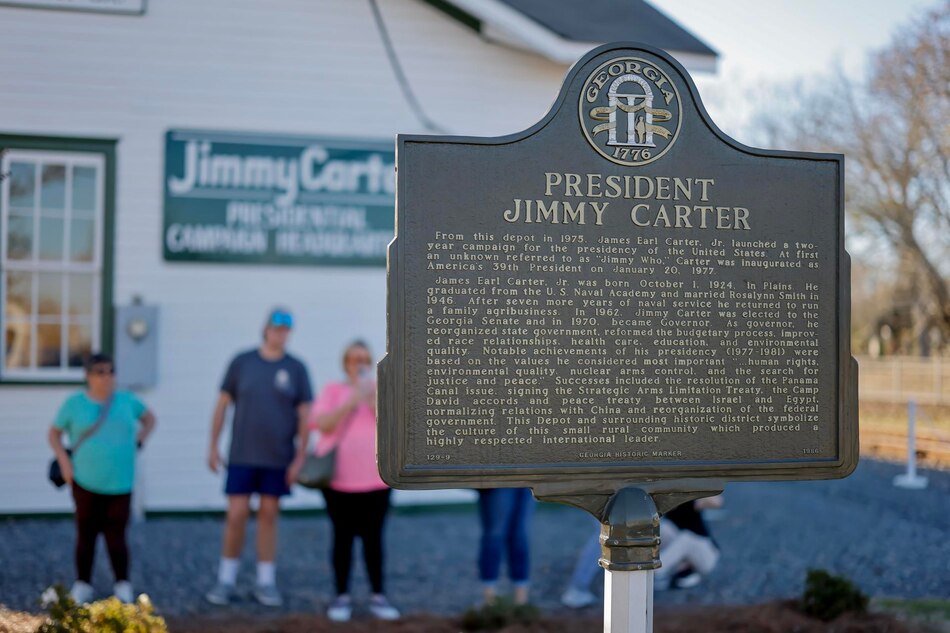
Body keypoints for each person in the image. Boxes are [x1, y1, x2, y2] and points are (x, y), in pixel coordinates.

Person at [205, 307, 313, 607]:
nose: (280, 333)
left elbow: (305, 415)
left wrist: (300, 456)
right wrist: (213, 445)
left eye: (285, 329)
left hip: (278, 457)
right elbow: (222, 405)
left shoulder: (296, 368)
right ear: (265, 328)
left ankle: (265, 582)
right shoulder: (243, 362)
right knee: (236, 515)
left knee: (268, 515)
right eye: (276, 327)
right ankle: (226, 579)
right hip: (242, 454)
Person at [48, 353, 156, 604]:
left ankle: (122, 585)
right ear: (87, 376)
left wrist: (141, 438)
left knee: (117, 537)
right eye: (100, 372)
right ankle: (83, 584)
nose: (106, 377)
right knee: (86, 534)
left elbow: (150, 420)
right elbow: (53, 434)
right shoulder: (74, 403)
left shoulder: (128, 401)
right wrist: (65, 462)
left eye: (110, 371)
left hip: (121, 482)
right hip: (84, 481)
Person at [309, 340, 399, 622]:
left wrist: (370, 397)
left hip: (376, 481)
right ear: (345, 362)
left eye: (364, 358)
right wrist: (350, 400)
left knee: (374, 540)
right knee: (342, 539)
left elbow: (392, 424)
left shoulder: (380, 389)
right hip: (338, 483)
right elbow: (322, 424)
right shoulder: (332, 391)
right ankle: (341, 596)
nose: (358, 364)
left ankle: (378, 596)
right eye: (353, 359)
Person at [477, 488, 534, 606]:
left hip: (527, 479)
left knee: (520, 536)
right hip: (498, 480)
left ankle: (521, 602)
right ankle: (489, 601)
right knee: (495, 536)